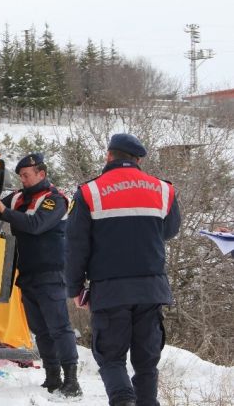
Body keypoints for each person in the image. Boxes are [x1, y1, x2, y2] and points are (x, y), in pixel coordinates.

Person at [65, 134, 181, 406]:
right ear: (138, 160)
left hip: (111, 290)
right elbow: (170, 230)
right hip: (151, 289)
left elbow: (75, 246)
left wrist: (75, 287)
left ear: (109, 156)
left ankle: (122, 401)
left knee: (111, 357)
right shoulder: (164, 190)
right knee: (146, 361)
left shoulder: (89, 192)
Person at [0, 153, 82, 397]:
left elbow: (35, 225)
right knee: (40, 329)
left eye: (27, 175)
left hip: (51, 272)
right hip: (28, 274)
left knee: (59, 328)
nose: (23, 180)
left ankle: (72, 379)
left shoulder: (55, 199)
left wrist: (3, 210)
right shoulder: (19, 197)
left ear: (41, 174)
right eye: (20, 176)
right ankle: (52, 376)